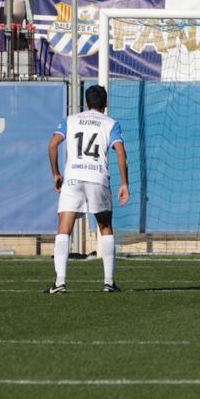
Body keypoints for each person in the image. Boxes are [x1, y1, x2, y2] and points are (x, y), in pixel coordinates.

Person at [46, 84, 130, 295]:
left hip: (73, 178)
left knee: (64, 228)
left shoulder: (70, 120)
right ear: (105, 104)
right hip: (97, 178)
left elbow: (52, 145)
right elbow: (121, 153)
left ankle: (60, 283)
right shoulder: (111, 123)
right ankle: (109, 282)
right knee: (105, 227)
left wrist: (56, 173)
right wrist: (124, 183)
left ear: (86, 103)